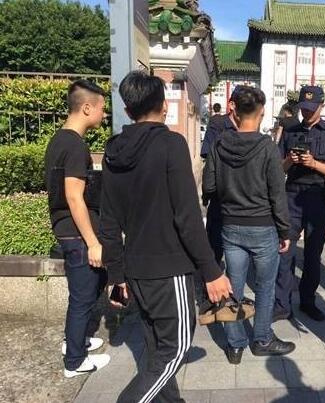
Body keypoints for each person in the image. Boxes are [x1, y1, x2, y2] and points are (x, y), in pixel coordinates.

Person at [100, 71, 232, 403]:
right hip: (169, 269)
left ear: (128, 111)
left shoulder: (113, 151)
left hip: (136, 268)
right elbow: (187, 216)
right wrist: (211, 271)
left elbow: (109, 221)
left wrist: (116, 275)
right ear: (164, 106)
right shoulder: (171, 144)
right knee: (175, 349)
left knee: (157, 346)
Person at [203, 86, 295, 365]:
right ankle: (262, 339)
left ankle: (235, 345)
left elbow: (209, 186)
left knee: (233, 286)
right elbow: (277, 193)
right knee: (265, 287)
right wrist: (285, 230)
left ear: (235, 111)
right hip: (263, 226)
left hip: (230, 225)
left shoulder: (220, 144)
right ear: (262, 112)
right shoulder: (267, 147)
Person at [44, 79, 110, 378]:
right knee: (83, 296)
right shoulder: (74, 146)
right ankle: (74, 361)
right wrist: (93, 241)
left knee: (89, 289)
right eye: (101, 108)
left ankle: (75, 340)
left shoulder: (59, 140)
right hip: (77, 233)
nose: (103, 115)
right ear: (86, 108)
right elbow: (73, 196)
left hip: (69, 230)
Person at [274, 86, 325, 322]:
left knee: (313, 255)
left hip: (318, 197)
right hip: (292, 196)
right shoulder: (290, 131)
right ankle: (282, 305)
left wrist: (314, 163)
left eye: (311, 109)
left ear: (321, 106)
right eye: (303, 109)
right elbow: (277, 169)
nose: (306, 113)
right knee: (284, 252)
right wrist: (290, 160)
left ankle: (308, 301)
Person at [201, 90, 240, 264]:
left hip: (242, 199)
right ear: (232, 105)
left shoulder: (250, 128)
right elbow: (208, 157)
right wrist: (207, 191)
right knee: (214, 247)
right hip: (220, 195)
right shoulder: (217, 124)